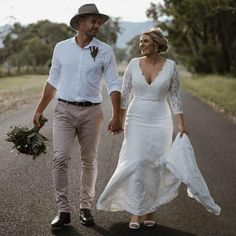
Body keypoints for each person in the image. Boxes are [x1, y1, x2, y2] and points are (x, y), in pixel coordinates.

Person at [33, 3, 122, 230]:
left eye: (99, 22)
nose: (97, 25)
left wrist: (117, 114)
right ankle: (63, 211)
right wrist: (40, 109)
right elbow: (52, 80)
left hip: (92, 112)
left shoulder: (105, 51)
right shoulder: (61, 48)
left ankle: (85, 208)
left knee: (89, 160)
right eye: (93, 21)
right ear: (80, 22)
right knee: (60, 157)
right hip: (64, 110)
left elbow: (113, 83)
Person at [97, 27, 188, 229]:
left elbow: (174, 97)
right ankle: (135, 213)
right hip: (136, 118)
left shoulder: (171, 66)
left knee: (155, 165)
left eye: (145, 41)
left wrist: (181, 124)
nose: (141, 45)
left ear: (156, 44)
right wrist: (118, 119)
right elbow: (125, 95)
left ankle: (150, 210)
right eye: (140, 41)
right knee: (137, 162)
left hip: (160, 120)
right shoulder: (132, 64)